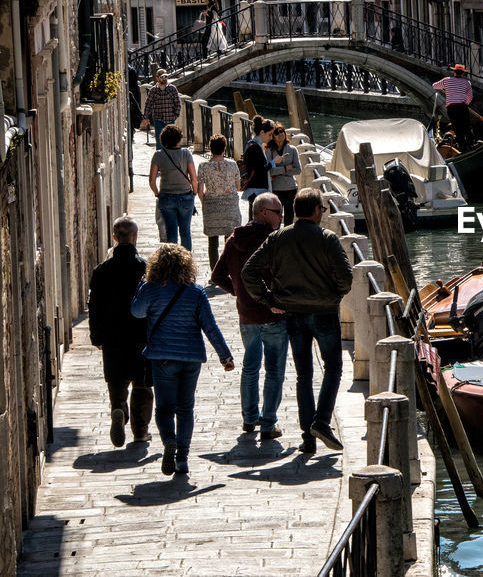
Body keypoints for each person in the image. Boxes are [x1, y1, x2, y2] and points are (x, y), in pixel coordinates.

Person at [241, 188, 353, 455]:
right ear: (316, 210)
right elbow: (346, 279)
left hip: (293, 314)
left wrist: (270, 299)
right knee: (334, 368)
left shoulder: (278, 238)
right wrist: (332, 294)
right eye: (322, 210)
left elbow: (249, 273)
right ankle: (322, 422)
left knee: (304, 375)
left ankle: (309, 437)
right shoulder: (328, 238)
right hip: (324, 313)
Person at [130, 244, 235, 476]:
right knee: (185, 408)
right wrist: (224, 355)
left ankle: (169, 440)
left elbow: (136, 311)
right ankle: (182, 458)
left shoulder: (150, 288)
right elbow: (210, 327)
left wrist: (142, 283)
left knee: (165, 408)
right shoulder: (196, 292)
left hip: (163, 357)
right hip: (190, 359)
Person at [211, 193, 288, 442]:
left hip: (247, 315)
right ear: (263, 213)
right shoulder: (273, 240)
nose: (281, 217)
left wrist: (240, 294)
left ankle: (248, 418)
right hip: (273, 314)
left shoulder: (235, 239)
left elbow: (217, 276)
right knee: (274, 370)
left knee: (251, 367)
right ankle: (268, 424)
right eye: (278, 212)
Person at [88, 215, 153, 447]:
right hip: (140, 333)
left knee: (116, 379)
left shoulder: (101, 270)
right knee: (142, 383)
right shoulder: (145, 267)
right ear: (135, 238)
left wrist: (95, 335)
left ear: (115, 238)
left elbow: (93, 306)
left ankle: (118, 408)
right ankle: (140, 430)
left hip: (112, 334)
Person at [150, 124, 199, 250]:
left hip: (166, 197)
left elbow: (152, 181)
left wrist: (157, 194)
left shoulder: (158, 155)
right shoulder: (186, 153)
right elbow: (194, 178)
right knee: (185, 233)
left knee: (171, 234)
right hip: (185, 197)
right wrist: (194, 192)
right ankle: (187, 263)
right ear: (179, 139)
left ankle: (173, 263)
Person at [197, 134, 241, 268]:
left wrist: (204, 203)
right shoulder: (233, 165)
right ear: (224, 149)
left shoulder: (203, 166)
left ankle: (215, 273)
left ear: (211, 148)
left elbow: (200, 191)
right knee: (229, 241)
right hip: (230, 209)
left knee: (213, 243)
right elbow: (238, 187)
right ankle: (229, 270)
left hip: (212, 206)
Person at [266, 122, 303, 224]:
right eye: (277, 132)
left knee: (289, 215)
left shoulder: (292, 149)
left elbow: (298, 170)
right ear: (273, 136)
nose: (281, 134)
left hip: (291, 187)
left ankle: (287, 236)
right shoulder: (269, 151)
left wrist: (280, 172)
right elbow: (270, 171)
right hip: (276, 188)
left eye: (282, 131)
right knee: (276, 215)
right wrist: (285, 169)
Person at [433, 63, 475, 148]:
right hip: (462, 107)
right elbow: (470, 96)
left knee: (457, 127)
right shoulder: (467, 83)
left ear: (454, 72)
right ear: (463, 73)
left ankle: (462, 147)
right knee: (467, 126)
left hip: (451, 108)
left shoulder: (446, 80)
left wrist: (443, 88)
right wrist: (465, 103)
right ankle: (471, 144)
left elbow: (434, 86)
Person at [241, 116, 275, 219]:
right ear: (261, 132)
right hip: (256, 189)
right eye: (269, 134)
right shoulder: (255, 147)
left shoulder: (254, 145)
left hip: (255, 189)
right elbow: (260, 170)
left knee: (255, 219)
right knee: (256, 220)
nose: (271, 138)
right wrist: (273, 162)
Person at [142, 69, 181, 149]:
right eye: (162, 77)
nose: (164, 78)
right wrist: (145, 117)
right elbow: (148, 104)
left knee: (171, 142)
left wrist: (175, 115)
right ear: (157, 78)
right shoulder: (153, 90)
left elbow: (177, 103)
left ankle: (170, 158)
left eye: (166, 76)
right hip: (158, 120)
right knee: (160, 142)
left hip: (170, 120)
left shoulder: (172, 89)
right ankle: (161, 158)